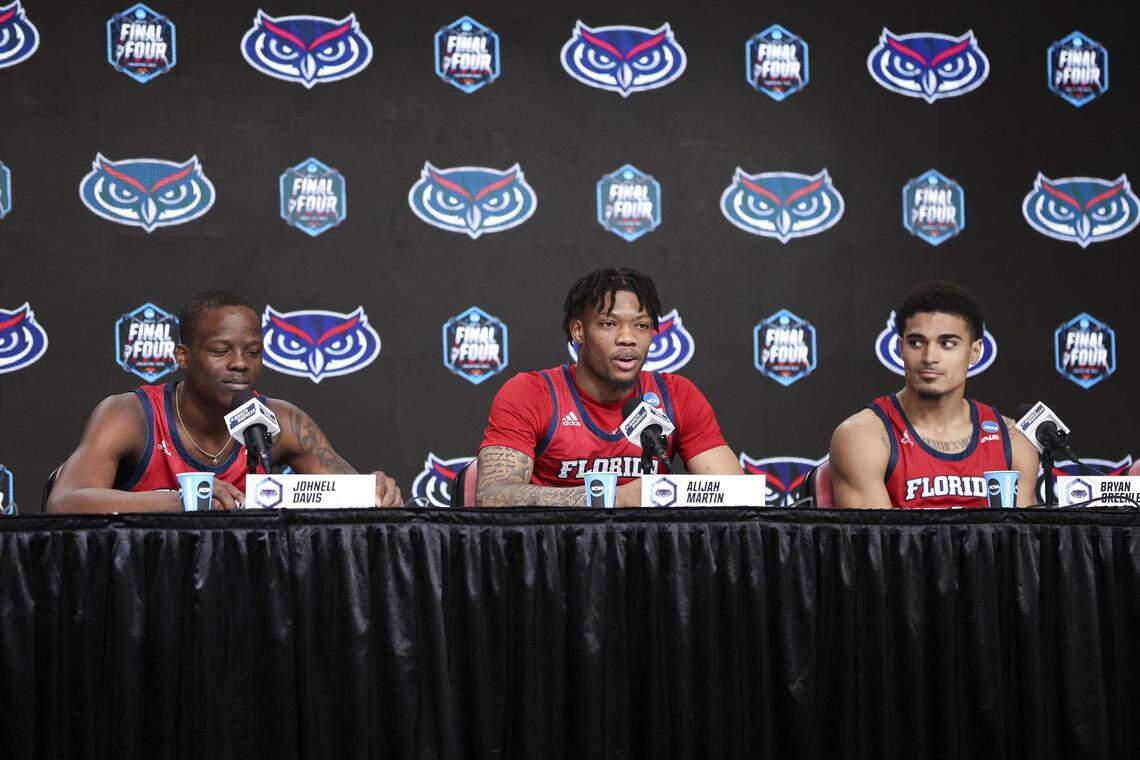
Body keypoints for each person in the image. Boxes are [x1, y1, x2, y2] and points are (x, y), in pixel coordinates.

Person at [45, 291, 401, 512]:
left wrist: (375, 493)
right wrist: (181, 501)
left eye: (253, 352)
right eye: (220, 350)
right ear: (183, 356)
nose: (240, 363)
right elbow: (65, 501)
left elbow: (352, 499)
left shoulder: (281, 421)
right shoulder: (130, 414)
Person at [476, 267, 740, 507]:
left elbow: (737, 495)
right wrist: (613, 497)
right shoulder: (531, 393)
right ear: (579, 331)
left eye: (641, 326)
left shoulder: (676, 394)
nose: (628, 338)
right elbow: (492, 497)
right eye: (609, 324)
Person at [829, 281, 1038, 508]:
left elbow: (1022, 541)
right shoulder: (864, 436)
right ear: (901, 348)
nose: (929, 357)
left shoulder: (1012, 440)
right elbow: (876, 543)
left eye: (947, 343)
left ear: (975, 352)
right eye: (916, 342)